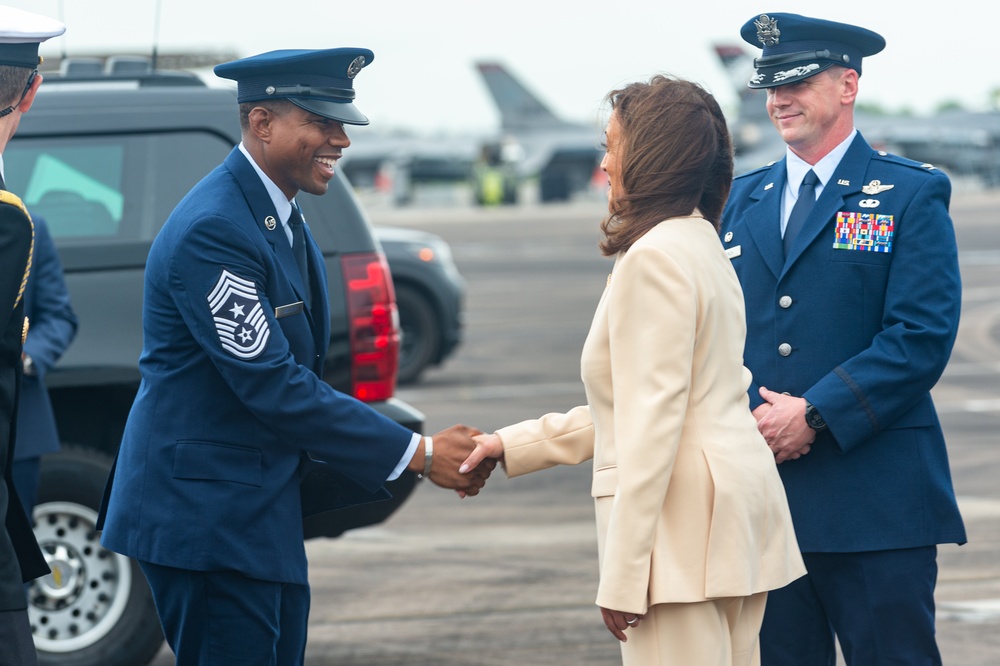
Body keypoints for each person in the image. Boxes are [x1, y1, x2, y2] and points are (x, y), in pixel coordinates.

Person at [96, 48, 493, 665]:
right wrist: (416, 453)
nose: (340, 138)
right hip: (208, 520)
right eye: (320, 121)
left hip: (253, 509)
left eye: (341, 123)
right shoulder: (216, 228)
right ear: (261, 123)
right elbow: (274, 383)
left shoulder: (277, 214)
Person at [460, 75, 805, 665]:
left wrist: (624, 573)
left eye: (613, 145)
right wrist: (512, 445)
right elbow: (650, 406)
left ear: (648, 156)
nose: (605, 162)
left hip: (682, 540)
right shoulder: (700, 241)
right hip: (733, 525)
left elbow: (652, 424)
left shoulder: (653, 258)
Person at [719, 13, 966, 666]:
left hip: (876, 503)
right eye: (770, 87)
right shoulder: (738, 202)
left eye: (795, 83)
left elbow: (920, 335)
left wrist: (815, 413)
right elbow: (716, 341)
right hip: (766, 504)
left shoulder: (908, 194)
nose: (778, 100)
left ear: (848, 85)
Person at [0, 6, 65, 665]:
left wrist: (30, 355)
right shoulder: (8, 221)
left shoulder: (26, 223)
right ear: (32, 90)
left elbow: (58, 315)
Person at [12, 214, 77, 518]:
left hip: (17, 425)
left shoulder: (29, 226)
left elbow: (59, 318)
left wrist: (24, 357)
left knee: (12, 549)